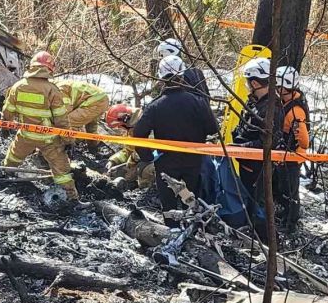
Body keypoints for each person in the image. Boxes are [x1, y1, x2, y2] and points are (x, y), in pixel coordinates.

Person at [133, 56, 219, 228]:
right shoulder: (198, 102)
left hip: (166, 162)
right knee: (191, 199)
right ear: (182, 74)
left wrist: (147, 156)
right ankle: (193, 231)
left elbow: (139, 132)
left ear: (161, 77)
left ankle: (171, 232)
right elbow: (213, 128)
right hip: (193, 160)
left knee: (169, 204)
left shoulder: (155, 106)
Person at [2, 51, 87, 208]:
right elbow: (61, 119)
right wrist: (68, 140)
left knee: (13, 157)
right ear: (49, 69)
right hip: (48, 139)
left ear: (32, 66)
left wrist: (5, 125)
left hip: (26, 135)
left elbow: (8, 110)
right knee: (62, 171)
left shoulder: (17, 86)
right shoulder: (51, 89)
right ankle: (72, 199)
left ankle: (4, 179)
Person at [231, 57, 282, 208]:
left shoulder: (272, 108)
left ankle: (258, 230)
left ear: (254, 83)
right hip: (247, 163)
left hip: (257, 168)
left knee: (255, 204)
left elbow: (268, 142)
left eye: (248, 82)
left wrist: (241, 147)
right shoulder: (256, 103)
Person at [274, 66, 309, 233]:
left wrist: (290, 148)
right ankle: (284, 215)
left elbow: (303, 141)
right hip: (284, 156)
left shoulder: (295, 111)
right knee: (281, 188)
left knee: (290, 192)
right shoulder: (285, 103)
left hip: (292, 158)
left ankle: (291, 223)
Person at [104, 104, 155, 189]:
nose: (120, 129)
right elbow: (128, 150)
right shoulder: (130, 129)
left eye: (119, 126)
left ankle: (151, 193)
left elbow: (149, 148)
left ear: (125, 119)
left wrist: (131, 161)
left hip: (160, 156)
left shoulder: (146, 121)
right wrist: (113, 161)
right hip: (142, 158)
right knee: (124, 174)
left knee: (144, 169)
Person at [54, 79, 110, 150]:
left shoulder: (58, 89)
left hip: (95, 102)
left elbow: (65, 111)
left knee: (67, 123)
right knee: (91, 129)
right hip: (100, 99)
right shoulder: (63, 84)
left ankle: (69, 146)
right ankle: (94, 148)